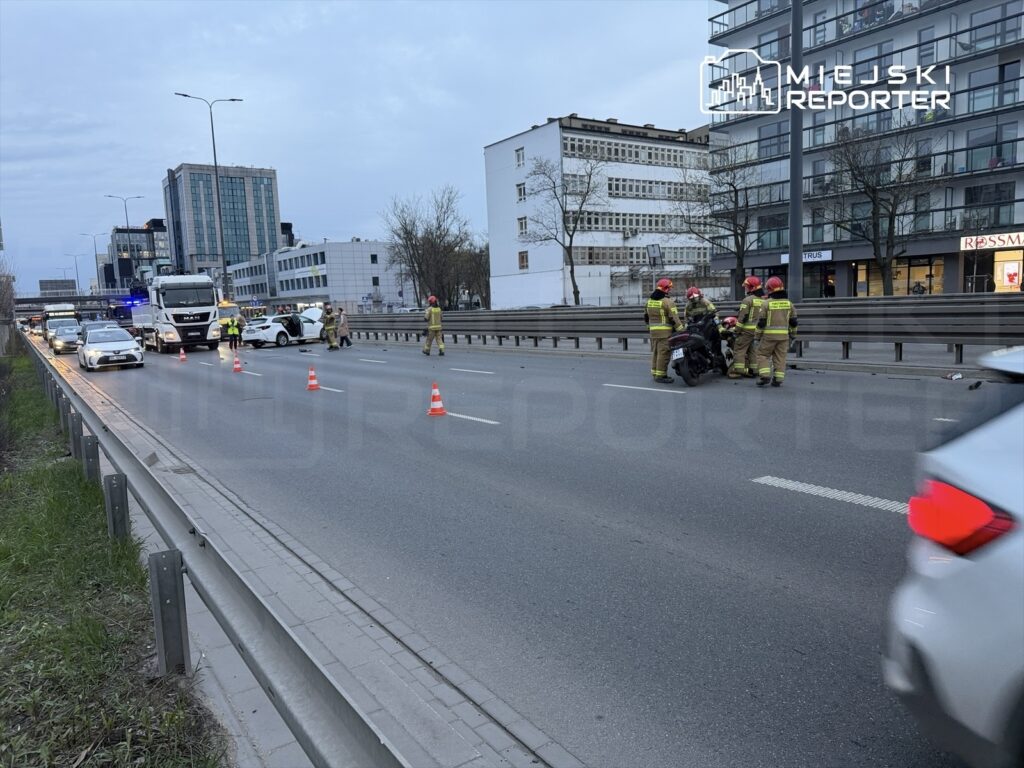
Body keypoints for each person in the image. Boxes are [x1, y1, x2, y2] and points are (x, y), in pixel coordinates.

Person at [754, 275, 798, 387]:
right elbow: (793, 322)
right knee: (780, 358)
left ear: (769, 289)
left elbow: (761, 323)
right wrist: (793, 334)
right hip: (784, 337)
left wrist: (757, 337)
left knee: (762, 355)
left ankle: (765, 375)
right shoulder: (789, 304)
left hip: (769, 337)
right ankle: (778, 379)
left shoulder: (766, 303)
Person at [644, 278, 684, 384]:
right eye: (669, 288)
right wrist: (682, 330)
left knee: (656, 352)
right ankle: (661, 375)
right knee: (664, 353)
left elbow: (646, 317)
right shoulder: (667, 302)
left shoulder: (649, 301)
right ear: (666, 289)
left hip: (653, 332)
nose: (670, 290)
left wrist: (649, 328)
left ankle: (655, 372)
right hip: (665, 333)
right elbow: (674, 318)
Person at [728, 275, 764, 379]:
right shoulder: (763, 300)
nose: (746, 289)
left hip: (747, 330)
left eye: (747, 287)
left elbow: (742, 317)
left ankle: (739, 371)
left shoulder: (747, 300)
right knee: (752, 350)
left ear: (752, 288)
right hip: (757, 330)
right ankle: (755, 370)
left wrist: (736, 330)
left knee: (739, 349)